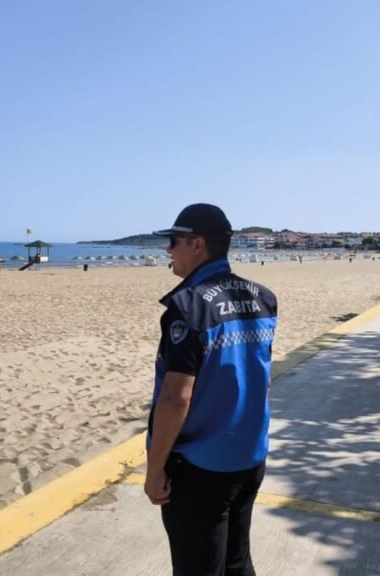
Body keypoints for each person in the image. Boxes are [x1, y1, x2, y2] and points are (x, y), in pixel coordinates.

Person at [145, 203, 278, 576]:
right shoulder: (262, 298)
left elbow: (177, 398)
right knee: (237, 562)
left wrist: (155, 468)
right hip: (250, 456)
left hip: (202, 468)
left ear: (198, 244)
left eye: (174, 241)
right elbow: (262, 377)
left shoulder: (188, 307)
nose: (169, 250)